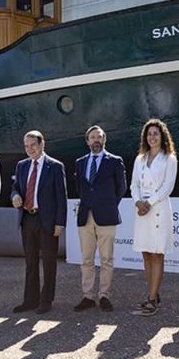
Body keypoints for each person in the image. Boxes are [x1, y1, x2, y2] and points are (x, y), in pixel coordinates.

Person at [11, 130, 67, 315]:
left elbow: (61, 197)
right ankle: (30, 300)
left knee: (49, 262)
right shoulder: (21, 165)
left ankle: (46, 300)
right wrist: (16, 196)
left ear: (42, 144)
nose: (29, 150)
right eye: (26, 146)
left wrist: (60, 222)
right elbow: (15, 188)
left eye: (32, 145)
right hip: (27, 219)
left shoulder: (55, 166)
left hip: (47, 220)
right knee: (30, 262)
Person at [73, 125, 127, 313]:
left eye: (99, 137)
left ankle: (104, 295)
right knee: (86, 259)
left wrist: (108, 204)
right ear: (87, 141)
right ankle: (87, 296)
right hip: (85, 217)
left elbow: (121, 188)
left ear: (104, 140)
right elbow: (79, 188)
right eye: (92, 137)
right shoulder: (80, 162)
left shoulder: (115, 161)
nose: (96, 140)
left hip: (107, 216)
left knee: (106, 259)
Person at [130, 118, 178, 317]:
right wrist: (138, 202)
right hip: (143, 212)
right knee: (146, 254)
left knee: (157, 254)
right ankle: (153, 294)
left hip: (158, 210)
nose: (152, 137)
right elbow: (134, 185)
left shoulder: (169, 158)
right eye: (149, 134)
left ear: (162, 136)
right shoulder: (139, 159)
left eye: (155, 133)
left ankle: (152, 298)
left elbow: (168, 186)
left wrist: (149, 203)